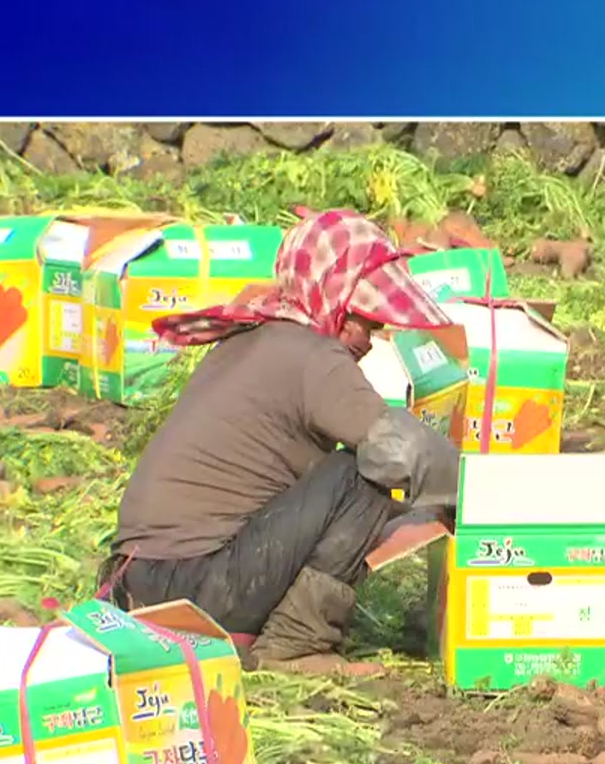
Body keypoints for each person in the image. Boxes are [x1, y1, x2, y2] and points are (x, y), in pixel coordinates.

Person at [101, 208, 462, 673]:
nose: (370, 342)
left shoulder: (250, 341)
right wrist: (484, 493)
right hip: (191, 586)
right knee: (361, 473)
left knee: (359, 474)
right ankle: (297, 645)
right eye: (363, 322)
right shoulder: (314, 356)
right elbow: (402, 453)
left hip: (135, 583)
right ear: (332, 297)